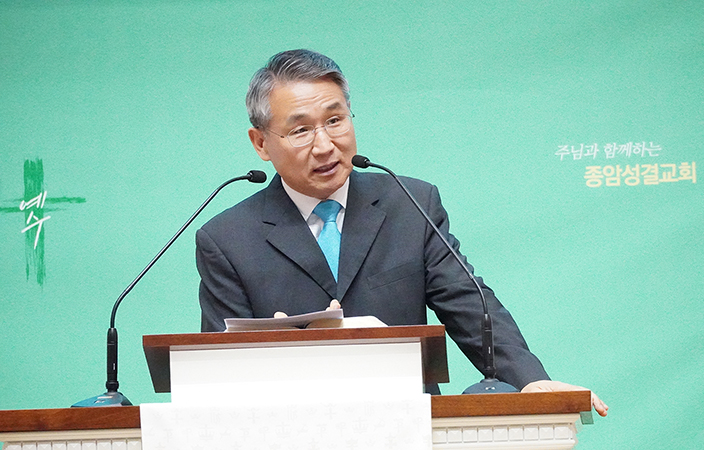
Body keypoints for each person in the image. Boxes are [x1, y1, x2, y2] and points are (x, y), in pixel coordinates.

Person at [196, 49, 608, 416]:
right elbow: (219, 374)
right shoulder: (227, 240)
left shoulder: (410, 204)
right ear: (261, 143)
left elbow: (469, 303)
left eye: (335, 121)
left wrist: (530, 380)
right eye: (301, 130)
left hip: (409, 426)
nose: (324, 145)